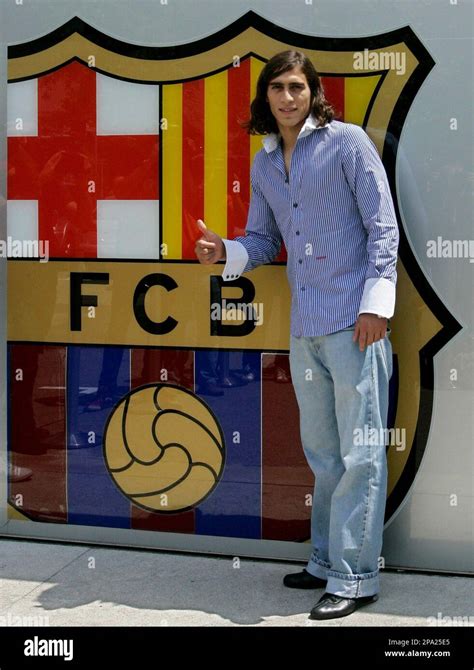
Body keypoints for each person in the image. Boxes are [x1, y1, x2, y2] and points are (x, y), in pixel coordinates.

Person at [195, 50, 399, 620]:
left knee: (361, 454)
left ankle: (355, 578)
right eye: (278, 88)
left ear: (313, 92)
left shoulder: (349, 143)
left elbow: (383, 226)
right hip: (305, 326)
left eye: (297, 86)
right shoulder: (264, 165)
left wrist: (377, 306)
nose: (288, 97)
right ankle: (326, 561)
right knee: (323, 453)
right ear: (266, 98)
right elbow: (263, 241)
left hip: (355, 323)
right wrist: (226, 252)